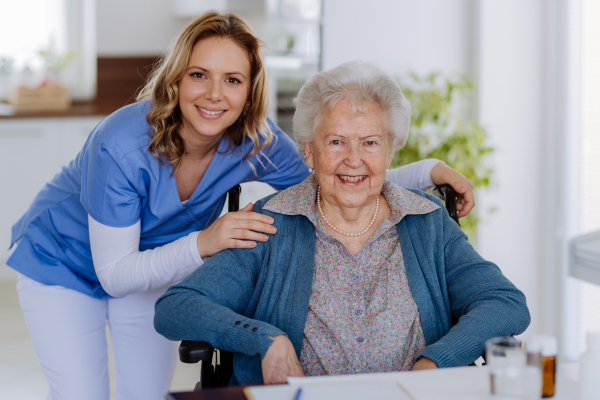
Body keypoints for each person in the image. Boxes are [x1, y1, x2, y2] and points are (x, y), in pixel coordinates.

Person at [9, 12, 474, 400]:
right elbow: (115, 274)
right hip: (63, 264)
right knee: (81, 394)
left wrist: (427, 171)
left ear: (250, 90)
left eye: (232, 79)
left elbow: (339, 176)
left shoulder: (254, 140)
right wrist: (206, 242)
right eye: (199, 75)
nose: (214, 95)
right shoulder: (121, 143)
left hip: (152, 266)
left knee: (145, 396)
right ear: (176, 78)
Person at [154, 60, 531, 386]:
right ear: (310, 151)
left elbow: (506, 303)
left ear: (389, 150)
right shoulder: (271, 224)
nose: (354, 159)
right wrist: (266, 340)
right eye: (335, 142)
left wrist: (437, 362)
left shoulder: (427, 222)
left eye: (369, 143)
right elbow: (177, 307)